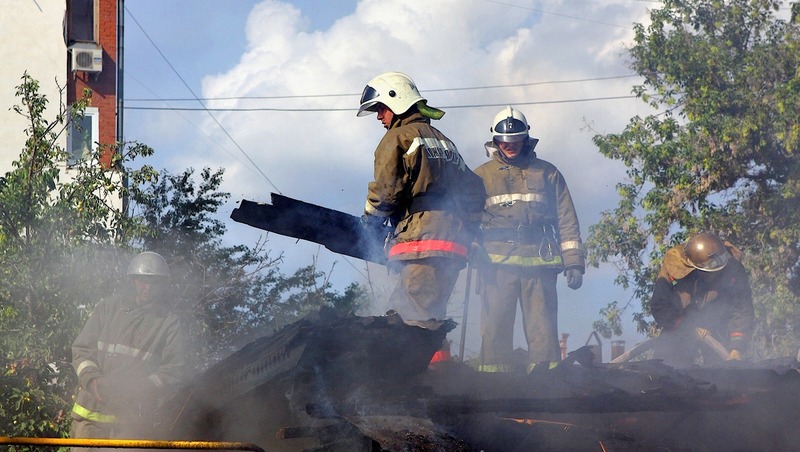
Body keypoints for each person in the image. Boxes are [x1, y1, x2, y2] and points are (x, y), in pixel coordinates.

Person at [357, 71, 485, 322]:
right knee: (429, 318)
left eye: (381, 108)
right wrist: (467, 227)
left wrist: (369, 220)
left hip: (422, 242)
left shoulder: (397, 137)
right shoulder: (444, 141)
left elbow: (385, 193)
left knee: (406, 321)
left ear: (398, 101)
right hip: (453, 244)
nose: (379, 117)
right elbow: (474, 190)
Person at [474, 106, 584, 373]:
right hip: (496, 264)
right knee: (495, 329)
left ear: (526, 139)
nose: (510, 146)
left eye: (516, 140)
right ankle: (492, 388)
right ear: (495, 140)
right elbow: (466, 219)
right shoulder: (480, 176)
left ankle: (546, 387)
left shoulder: (548, 173)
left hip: (540, 262)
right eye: (505, 141)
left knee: (543, 330)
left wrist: (574, 263)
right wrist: (471, 248)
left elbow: (567, 219)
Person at [70, 251, 188, 450]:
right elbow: (82, 349)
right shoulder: (107, 308)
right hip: (90, 418)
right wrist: (92, 379)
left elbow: (174, 370)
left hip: (132, 423)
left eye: (154, 282)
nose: (147, 287)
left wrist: (139, 389)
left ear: (162, 285)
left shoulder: (168, 323)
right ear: (133, 280)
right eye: (143, 280)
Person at [650, 232, 754, 367]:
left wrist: (736, 348)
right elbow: (660, 306)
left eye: (718, 269)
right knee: (668, 372)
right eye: (710, 271)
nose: (716, 274)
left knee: (723, 375)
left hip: (717, 328)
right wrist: (686, 326)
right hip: (678, 328)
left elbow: (741, 309)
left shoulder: (733, 270)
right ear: (696, 267)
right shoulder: (675, 267)